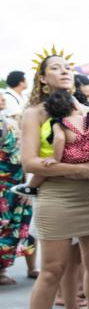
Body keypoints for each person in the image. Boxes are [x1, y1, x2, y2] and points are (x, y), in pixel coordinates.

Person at [20, 51, 89, 309]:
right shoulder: (36, 114)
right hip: (57, 196)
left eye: (67, 66)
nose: (64, 71)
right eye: (55, 68)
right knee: (52, 269)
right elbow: (29, 162)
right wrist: (77, 171)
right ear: (43, 78)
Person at [0, 103, 36, 284]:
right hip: (5, 185)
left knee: (21, 225)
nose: (2, 100)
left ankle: (30, 268)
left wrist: (27, 184)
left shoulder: (9, 122)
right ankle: (1, 271)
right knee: (5, 228)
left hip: (15, 184)